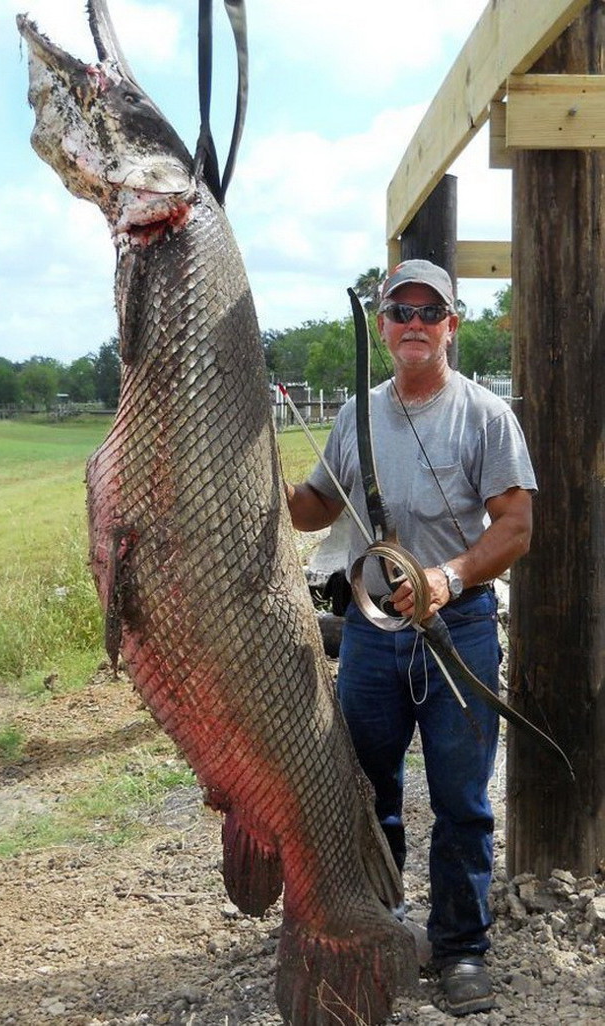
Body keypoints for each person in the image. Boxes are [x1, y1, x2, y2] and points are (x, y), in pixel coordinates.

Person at [286, 259, 537, 1017]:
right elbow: (309, 509)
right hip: (370, 635)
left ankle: (461, 948)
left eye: (433, 311)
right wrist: (254, 473)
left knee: (461, 800)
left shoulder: (486, 417)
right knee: (368, 793)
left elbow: (517, 527)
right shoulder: (354, 415)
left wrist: (448, 578)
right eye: (402, 311)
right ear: (386, 328)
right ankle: (380, 931)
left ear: (452, 326)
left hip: (457, 632)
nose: (416, 323)